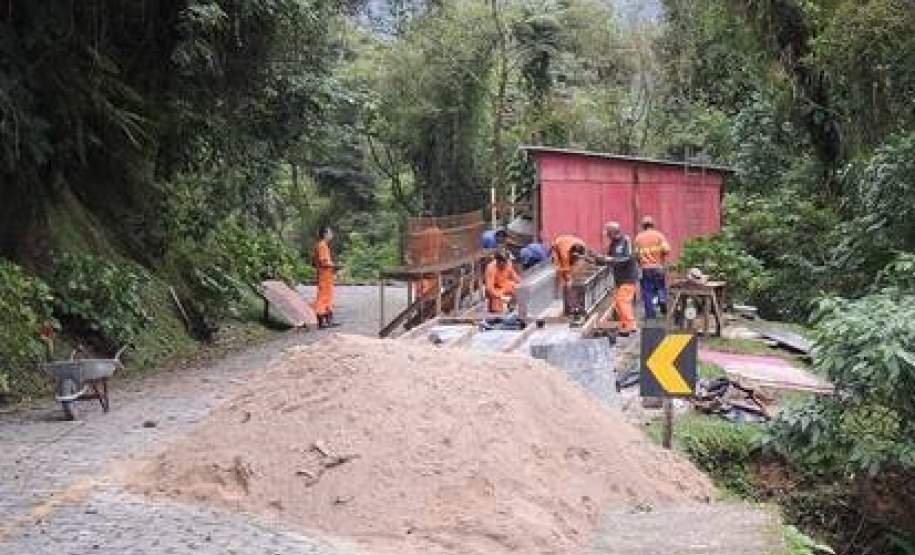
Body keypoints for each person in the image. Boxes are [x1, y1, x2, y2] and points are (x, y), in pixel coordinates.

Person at [602, 221, 638, 335]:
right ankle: (626, 325)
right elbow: (609, 259)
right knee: (618, 303)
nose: (607, 236)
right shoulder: (613, 243)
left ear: (613, 232)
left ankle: (629, 325)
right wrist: (600, 259)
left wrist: (612, 260)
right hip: (619, 279)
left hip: (628, 277)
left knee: (622, 301)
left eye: (608, 233)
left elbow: (628, 258)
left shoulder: (626, 241)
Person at [634, 215, 671, 319]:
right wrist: (661, 257)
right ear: (653, 225)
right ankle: (662, 300)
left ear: (643, 226)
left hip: (645, 268)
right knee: (660, 287)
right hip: (658, 267)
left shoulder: (638, 238)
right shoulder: (659, 236)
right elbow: (667, 249)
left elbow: (636, 254)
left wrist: (640, 261)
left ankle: (650, 314)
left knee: (647, 292)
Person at [313, 226, 339, 329]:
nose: (331, 235)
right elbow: (323, 261)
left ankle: (328, 319)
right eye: (330, 233)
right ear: (325, 234)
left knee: (328, 296)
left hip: (327, 275)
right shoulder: (322, 245)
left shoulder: (323, 245)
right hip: (324, 275)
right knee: (323, 296)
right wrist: (334, 265)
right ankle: (321, 320)